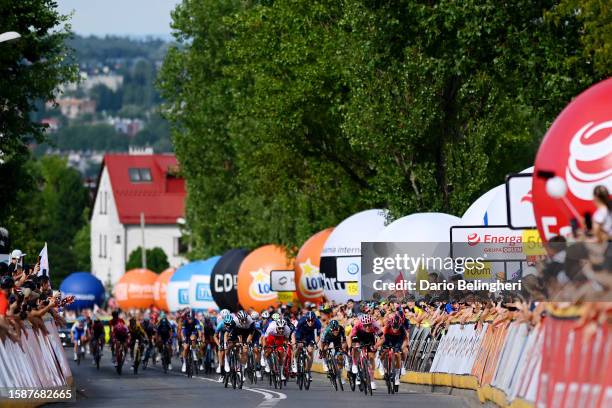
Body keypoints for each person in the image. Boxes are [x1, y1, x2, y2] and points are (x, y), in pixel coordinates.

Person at [348, 314, 381, 390]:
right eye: (365, 325)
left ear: (371, 323)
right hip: (359, 335)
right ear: (362, 324)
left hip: (370, 337)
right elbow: (350, 337)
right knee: (355, 347)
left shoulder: (375, 325)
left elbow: (382, 338)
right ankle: (355, 364)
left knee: (372, 357)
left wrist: (375, 346)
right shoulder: (357, 325)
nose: (367, 327)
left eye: (369, 325)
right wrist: (350, 347)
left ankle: (372, 380)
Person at [376, 312, 408, 386]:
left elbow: (406, 341)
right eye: (394, 327)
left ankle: (397, 375)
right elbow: (381, 338)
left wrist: (401, 348)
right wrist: (379, 346)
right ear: (391, 324)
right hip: (387, 338)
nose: (395, 329)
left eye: (397, 328)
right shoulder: (387, 327)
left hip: (397, 340)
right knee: (383, 351)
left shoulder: (402, 329)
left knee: (398, 353)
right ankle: (381, 365)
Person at [292, 310, 321, 380]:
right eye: (309, 320)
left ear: (315, 319)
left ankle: (308, 371)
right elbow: (294, 334)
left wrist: (315, 343)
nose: (310, 322)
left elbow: (318, 336)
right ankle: (294, 362)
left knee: (310, 351)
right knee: (298, 346)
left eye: (312, 320)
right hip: (300, 334)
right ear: (306, 319)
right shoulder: (301, 321)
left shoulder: (318, 323)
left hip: (309, 335)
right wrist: (294, 343)